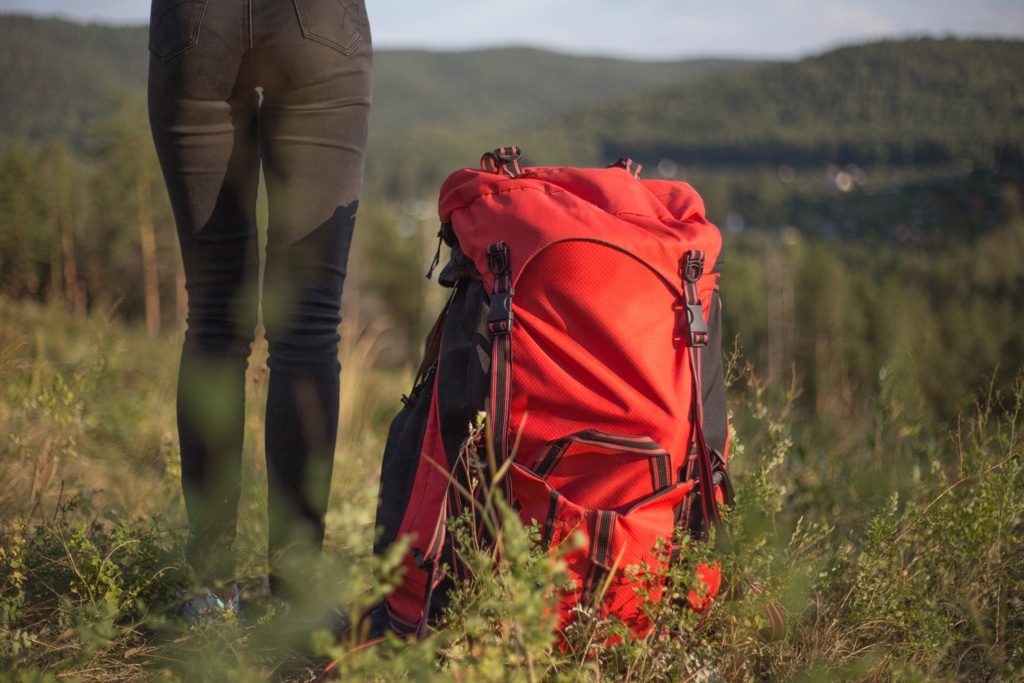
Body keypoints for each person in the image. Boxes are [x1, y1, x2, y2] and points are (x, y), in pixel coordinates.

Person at [147, 0, 372, 629]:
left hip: (195, 27)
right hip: (320, 26)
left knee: (216, 318)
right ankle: (298, 595)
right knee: (305, 325)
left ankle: (212, 593)